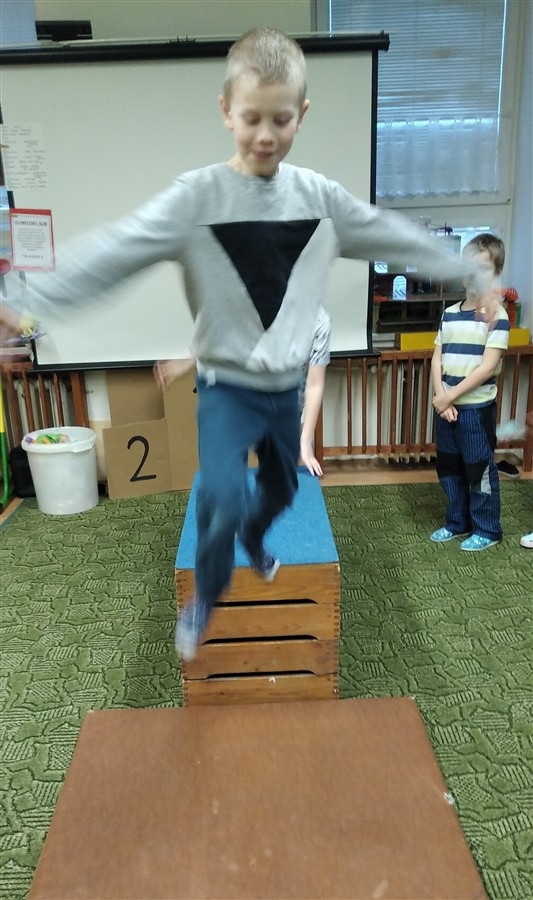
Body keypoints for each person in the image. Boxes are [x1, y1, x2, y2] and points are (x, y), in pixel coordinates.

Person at [0, 27, 503, 658]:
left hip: (284, 389)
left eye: (281, 120)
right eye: (251, 118)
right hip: (226, 388)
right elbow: (116, 250)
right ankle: (207, 594)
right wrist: (25, 305)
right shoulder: (196, 199)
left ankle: (257, 540)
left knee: (282, 489)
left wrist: (473, 274)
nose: (266, 135)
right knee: (219, 494)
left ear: (302, 114)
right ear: (226, 110)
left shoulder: (319, 199)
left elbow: (390, 234)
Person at [430, 234, 510, 551]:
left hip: (475, 410)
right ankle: (457, 522)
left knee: (479, 469)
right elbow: (437, 358)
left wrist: (449, 397)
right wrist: (441, 398)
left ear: (496, 273)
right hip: (445, 409)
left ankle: (487, 529)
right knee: (449, 468)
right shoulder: (449, 313)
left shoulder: (497, 317)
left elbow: (487, 368)